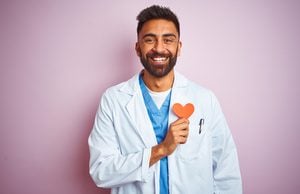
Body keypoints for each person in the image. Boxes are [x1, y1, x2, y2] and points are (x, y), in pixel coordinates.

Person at [88, 5, 242, 194]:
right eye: (149, 40)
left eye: (168, 40)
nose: (159, 48)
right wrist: (161, 149)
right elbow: (101, 171)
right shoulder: (113, 100)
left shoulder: (204, 99)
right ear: (138, 48)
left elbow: (226, 171)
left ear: (179, 47)